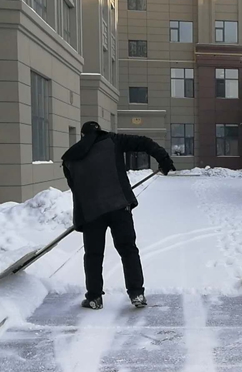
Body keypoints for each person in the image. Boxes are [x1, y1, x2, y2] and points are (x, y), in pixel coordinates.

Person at [62, 121, 175, 310]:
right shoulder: (113, 141)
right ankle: (137, 293)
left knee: (93, 255)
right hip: (118, 207)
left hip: (91, 213)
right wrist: (163, 159)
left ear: (82, 136)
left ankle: (94, 297)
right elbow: (144, 142)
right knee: (128, 250)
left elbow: (76, 189)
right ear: (99, 132)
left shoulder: (70, 158)